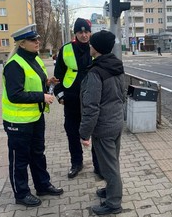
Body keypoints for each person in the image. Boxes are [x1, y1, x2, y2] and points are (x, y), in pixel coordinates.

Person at [2, 24, 64, 207]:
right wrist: (42, 96)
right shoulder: (14, 65)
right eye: (32, 40)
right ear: (21, 44)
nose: (37, 42)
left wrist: (47, 83)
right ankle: (21, 194)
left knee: (38, 153)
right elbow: (15, 94)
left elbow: (34, 82)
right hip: (18, 121)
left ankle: (42, 185)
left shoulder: (34, 60)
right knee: (20, 159)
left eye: (37, 39)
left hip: (35, 117)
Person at [79, 30, 124, 215]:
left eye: (91, 45)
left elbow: (91, 107)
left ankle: (113, 203)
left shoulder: (96, 72)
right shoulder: (116, 65)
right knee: (112, 162)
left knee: (109, 166)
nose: (89, 46)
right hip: (116, 122)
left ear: (96, 49)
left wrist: (84, 133)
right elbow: (122, 94)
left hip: (104, 126)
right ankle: (111, 190)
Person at [53, 18, 100, 179]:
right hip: (71, 98)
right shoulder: (65, 49)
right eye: (80, 32)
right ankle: (76, 163)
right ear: (75, 33)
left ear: (90, 33)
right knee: (72, 132)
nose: (84, 35)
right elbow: (58, 76)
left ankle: (98, 165)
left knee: (95, 131)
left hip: (91, 98)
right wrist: (60, 97)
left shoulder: (96, 48)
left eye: (86, 32)